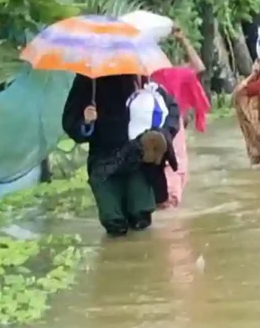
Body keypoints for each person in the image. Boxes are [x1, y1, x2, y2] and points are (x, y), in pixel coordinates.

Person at [62, 74, 180, 237]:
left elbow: (171, 110)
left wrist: (161, 134)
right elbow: (70, 121)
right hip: (103, 162)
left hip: (138, 158)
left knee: (140, 217)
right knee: (113, 222)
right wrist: (86, 123)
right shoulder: (88, 79)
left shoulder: (139, 74)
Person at [150, 27, 210, 209]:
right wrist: (183, 40)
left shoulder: (141, 77)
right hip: (172, 129)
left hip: (146, 130)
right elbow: (199, 67)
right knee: (175, 166)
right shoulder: (174, 74)